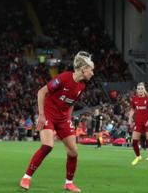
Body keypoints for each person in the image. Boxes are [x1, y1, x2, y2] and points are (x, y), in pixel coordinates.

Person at [20, 51, 95, 192]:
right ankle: (26, 177)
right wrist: (41, 115)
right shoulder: (64, 78)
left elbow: (71, 103)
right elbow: (41, 92)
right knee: (48, 145)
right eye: (91, 69)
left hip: (62, 119)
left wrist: (68, 119)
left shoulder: (81, 86)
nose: (92, 73)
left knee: (73, 151)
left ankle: (68, 183)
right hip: (48, 115)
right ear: (83, 69)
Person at [129, 82, 148, 166]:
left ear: (144, 90)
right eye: (139, 89)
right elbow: (132, 110)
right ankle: (138, 156)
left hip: (147, 123)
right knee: (134, 141)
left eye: (142, 88)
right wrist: (130, 119)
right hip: (138, 123)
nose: (140, 90)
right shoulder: (134, 99)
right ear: (137, 90)